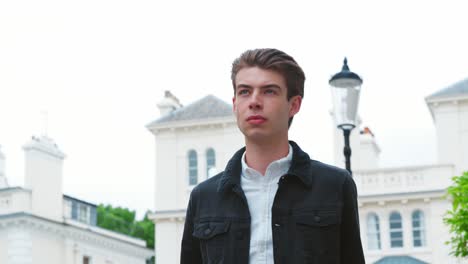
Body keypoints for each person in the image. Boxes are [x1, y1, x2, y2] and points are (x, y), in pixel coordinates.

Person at [180, 48, 365, 264]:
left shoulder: (335, 185)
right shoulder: (204, 197)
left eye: (269, 91)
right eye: (245, 92)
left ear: (294, 105)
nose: (254, 101)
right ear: (235, 104)